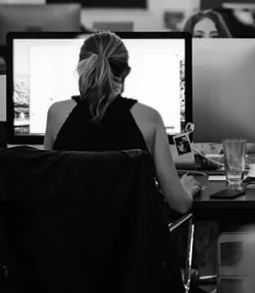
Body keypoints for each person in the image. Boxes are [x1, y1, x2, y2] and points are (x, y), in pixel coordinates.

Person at [44, 31, 200, 214]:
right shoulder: (149, 118)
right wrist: (185, 190)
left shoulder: (57, 114)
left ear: (80, 69)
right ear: (126, 72)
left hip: (68, 231)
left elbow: (46, 188)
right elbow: (179, 204)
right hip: (131, 233)